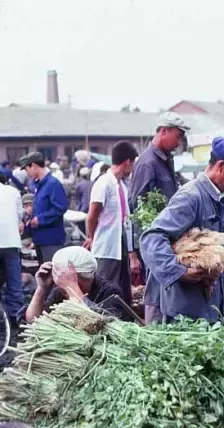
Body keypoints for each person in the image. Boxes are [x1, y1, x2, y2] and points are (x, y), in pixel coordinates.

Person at [141, 137, 224, 323]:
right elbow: (152, 239)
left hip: (211, 307)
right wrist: (179, 272)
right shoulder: (191, 197)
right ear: (221, 166)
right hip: (186, 310)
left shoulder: (220, 201)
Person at [129, 112, 190, 323]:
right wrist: (136, 251)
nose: (179, 141)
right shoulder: (148, 163)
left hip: (168, 237)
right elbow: (136, 207)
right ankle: (153, 333)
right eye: (178, 135)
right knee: (156, 291)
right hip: (155, 240)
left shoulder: (166, 160)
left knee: (168, 289)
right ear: (164, 131)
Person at [83, 141, 140, 306]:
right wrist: (93, 238)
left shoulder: (122, 185)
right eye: (133, 163)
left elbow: (126, 221)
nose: (133, 167)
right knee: (105, 293)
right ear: (127, 162)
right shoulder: (104, 183)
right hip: (106, 249)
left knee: (122, 292)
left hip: (119, 248)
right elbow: (92, 216)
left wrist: (131, 252)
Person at [23, 246, 124, 323]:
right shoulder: (59, 292)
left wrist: (71, 287)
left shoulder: (110, 292)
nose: (59, 284)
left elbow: (100, 324)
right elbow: (32, 321)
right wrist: (41, 289)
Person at [19, 152, 69, 265]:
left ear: (34, 166)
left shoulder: (52, 184)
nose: (27, 173)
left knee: (52, 274)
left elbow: (61, 207)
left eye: (27, 169)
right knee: (44, 275)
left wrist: (40, 219)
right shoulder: (39, 185)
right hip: (40, 239)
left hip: (51, 239)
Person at [0, 173, 25, 326]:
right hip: (11, 243)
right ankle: (15, 316)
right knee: (14, 281)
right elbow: (20, 215)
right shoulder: (13, 192)